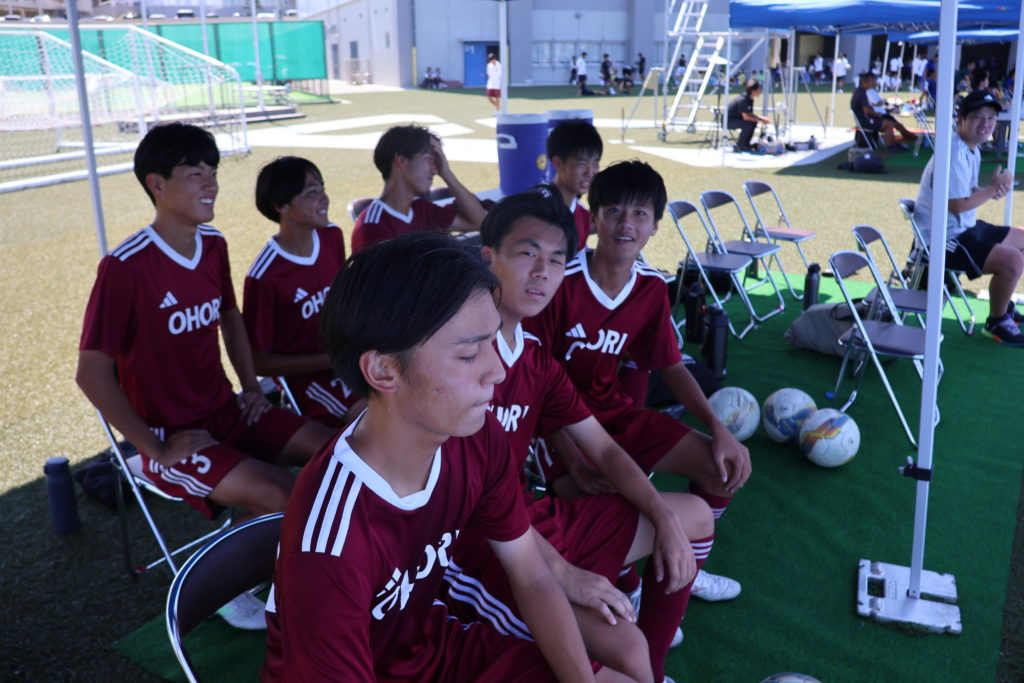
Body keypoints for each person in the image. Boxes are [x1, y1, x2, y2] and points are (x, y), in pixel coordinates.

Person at [261, 232, 613, 681]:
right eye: (468, 355)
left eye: (492, 341)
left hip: (434, 651)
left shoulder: (473, 433)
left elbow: (532, 575)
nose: (497, 370)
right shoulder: (330, 546)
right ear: (384, 370)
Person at [442, 189, 716, 682]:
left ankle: (654, 670)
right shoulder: (456, 355)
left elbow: (605, 450)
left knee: (691, 516)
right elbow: (469, 499)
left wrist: (661, 516)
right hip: (477, 546)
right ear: (488, 257)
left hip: (532, 518)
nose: (543, 272)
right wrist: (566, 575)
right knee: (625, 649)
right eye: (527, 253)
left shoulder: (535, 358)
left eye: (556, 259)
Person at [76, 123, 334, 630]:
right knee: (281, 494)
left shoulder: (213, 244)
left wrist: (252, 388)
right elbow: (91, 373)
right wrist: (154, 448)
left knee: (336, 452)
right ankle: (230, 587)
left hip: (228, 411)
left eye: (212, 171)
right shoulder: (125, 266)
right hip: (174, 435)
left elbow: (230, 317)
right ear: (157, 184)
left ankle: (269, 552)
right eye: (195, 173)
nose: (210, 182)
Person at [523, 160, 751, 607]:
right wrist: (574, 462)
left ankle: (686, 562)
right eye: (613, 211)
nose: (626, 223)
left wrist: (719, 429)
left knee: (724, 469)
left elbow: (671, 365)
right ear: (593, 219)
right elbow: (535, 386)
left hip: (614, 414)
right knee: (614, 503)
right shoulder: (560, 282)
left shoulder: (650, 287)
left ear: (656, 226)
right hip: (559, 429)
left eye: (639, 214)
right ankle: (630, 584)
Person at [243, 156, 363, 428]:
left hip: (348, 357)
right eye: (312, 193)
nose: (324, 198)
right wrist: (328, 361)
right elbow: (259, 362)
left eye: (322, 189)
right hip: (310, 381)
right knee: (378, 418)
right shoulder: (264, 276)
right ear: (282, 206)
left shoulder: (331, 236)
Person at [913, 89, 1024, 346]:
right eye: (977, 117)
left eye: (991, 118)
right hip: (944, 240)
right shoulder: (953, 152)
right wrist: (992, 189)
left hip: (965, 228)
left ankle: (1003, 305)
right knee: (1013, 260)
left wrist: (990, 191)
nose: (986, 123)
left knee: (1022, 239)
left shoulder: (969, 149)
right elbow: (957, 206)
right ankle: (997, 321)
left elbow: (967, 193)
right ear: (960, 119)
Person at [351, 125, 486, 252]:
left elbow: (479, 222)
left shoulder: (421, 210)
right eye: (429, 158)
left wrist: (447, 174)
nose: (435, 169)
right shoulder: (372, 226)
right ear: (401, 161)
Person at [547, 119, 602, 252]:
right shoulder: (537, 210)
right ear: (558, 163)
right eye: (581, 163)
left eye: (595, 163)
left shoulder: (582, 215)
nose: (590, 172)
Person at [851, 72, 916, 150]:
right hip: (866, 122)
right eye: (871, 81)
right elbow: (867, 110)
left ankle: (894, 144)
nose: (872, 83)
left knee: (891, 123)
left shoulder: (861, 91)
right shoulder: (862, 93)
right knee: (889, 124)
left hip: (867, 120)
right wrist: (877, 115)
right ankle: (891, 146)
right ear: (865, 82)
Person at [727, 80, 771, 152]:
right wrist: (762, 119)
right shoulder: (743, 99)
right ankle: (741, 145)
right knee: (748, 123)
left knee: (753, 121)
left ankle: (746, 144)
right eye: (758, 89)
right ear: (753, 91)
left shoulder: (750, 99)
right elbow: (746, 117)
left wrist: (760, 118)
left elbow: (750, 114)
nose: (760, 91)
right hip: (728, 121)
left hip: (736, 119)